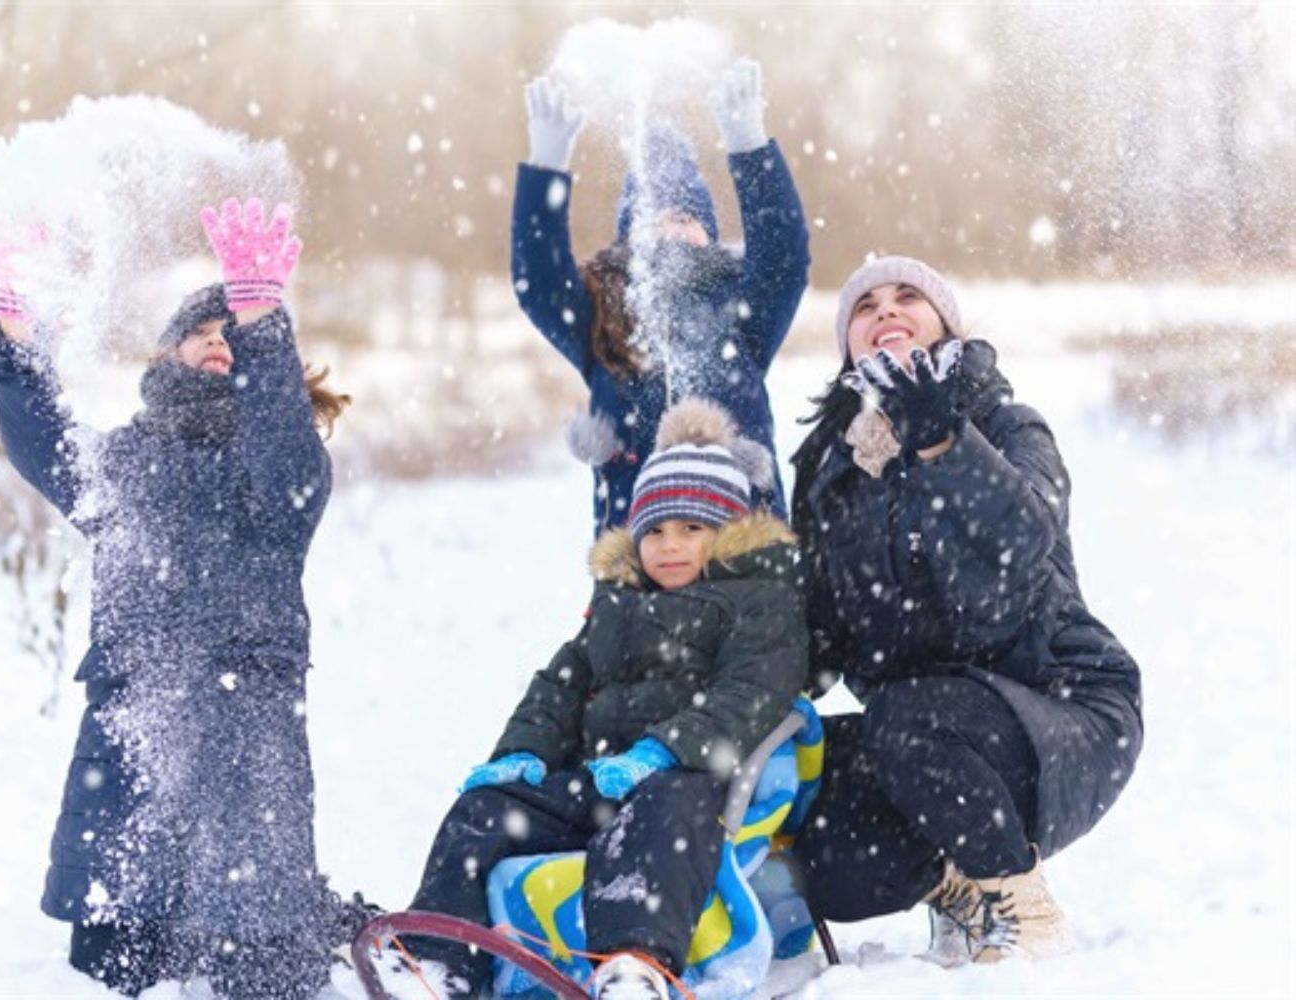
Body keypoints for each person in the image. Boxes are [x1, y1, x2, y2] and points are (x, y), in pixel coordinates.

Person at [0, 199, 351, 998]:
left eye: (231, 335)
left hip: (245, 727)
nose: (220, 346)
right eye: (204, 333)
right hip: (134, 724)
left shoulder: (280, 469)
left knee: (260, 969)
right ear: (166, 354)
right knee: (111, 967)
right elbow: (41, 437)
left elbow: (282, 442)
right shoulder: (121, 464)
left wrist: (264, 326)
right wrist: (16, 334)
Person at [785, 255, 1144, 962]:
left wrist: (942, 438)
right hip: (923, 738)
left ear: (944, 324)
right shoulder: (830, 471)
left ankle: (1024, 909)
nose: (885, 311)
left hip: (1062, 714)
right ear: (848, 346)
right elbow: (820, 642)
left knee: (906, 715)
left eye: (907, 297)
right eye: (866, 306)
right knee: (816, 837)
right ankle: (958, 885)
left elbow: (1022, 540)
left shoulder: (1009, 427)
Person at [402, 399, 808, 999]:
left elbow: (750, 692)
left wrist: (663, 752)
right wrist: (522, 751)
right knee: (484, 809)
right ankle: (438, 962)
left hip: (693, 782)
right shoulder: (617, 606)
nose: (669, 546)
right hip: (599, 783)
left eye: (691, 529)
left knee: (663, 815)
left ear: (729, 535)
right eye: (656, 531)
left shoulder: (759, 601)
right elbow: (560, 686)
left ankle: (632, 962)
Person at [512, 59, 810, 535]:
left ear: (709, 234)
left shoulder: (741, 304)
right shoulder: (604, 313)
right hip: (637, 558)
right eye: (655, 219)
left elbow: (784, 260)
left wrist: (748, 145)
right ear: (627, 237)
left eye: (685, 219)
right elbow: (540, 283)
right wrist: (546, 165)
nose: (670, 230)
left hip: (744, 560)